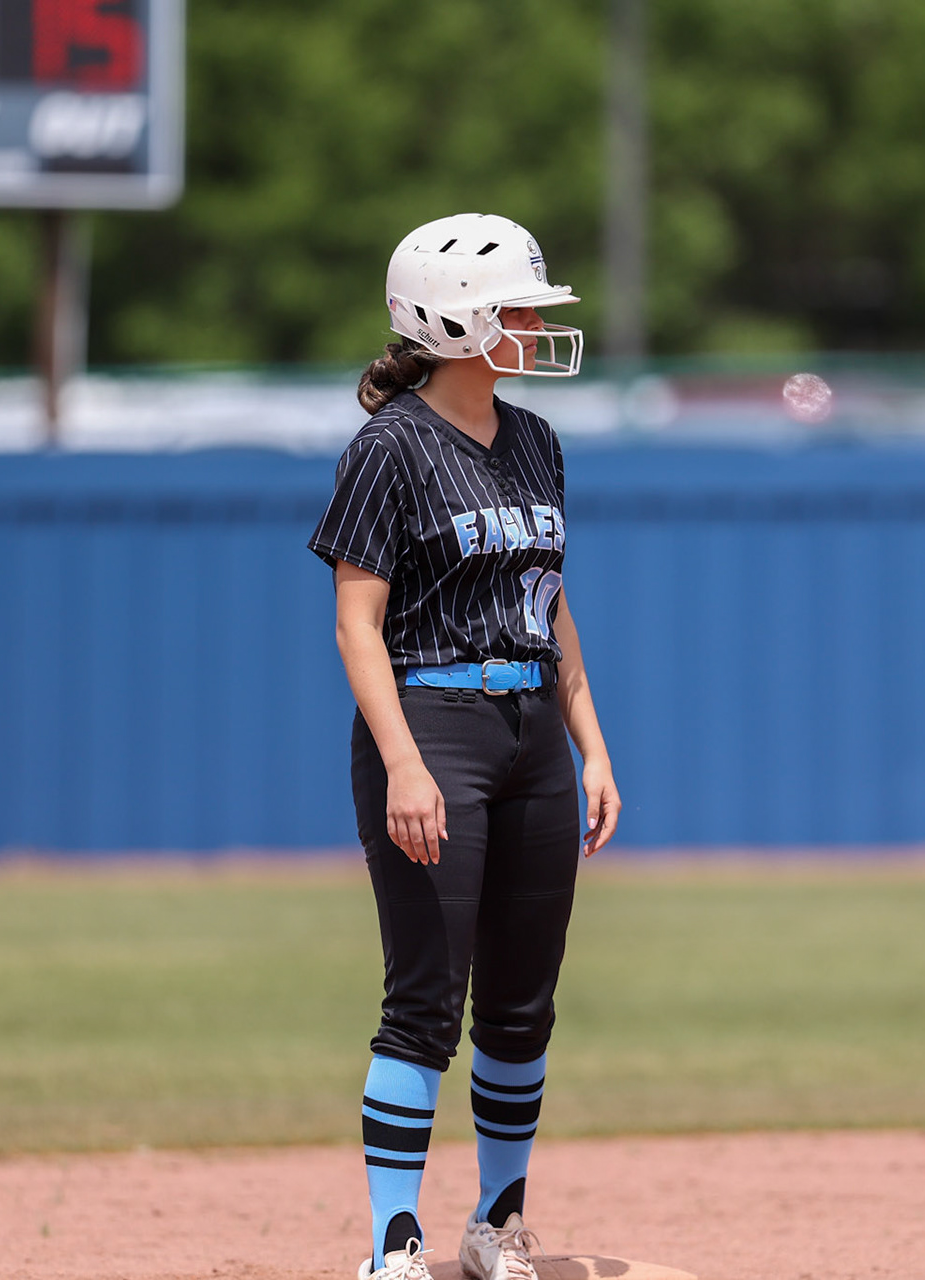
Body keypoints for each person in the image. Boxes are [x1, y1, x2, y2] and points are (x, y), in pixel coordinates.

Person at [308, 213, 622, 1280]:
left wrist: (591, 741)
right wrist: (402, 759)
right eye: (515, 308)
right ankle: (396, 1237)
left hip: (533, 728)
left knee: (523, 996)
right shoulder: (389, 445)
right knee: (426, 994)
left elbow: (551, 600)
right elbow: (357, 622)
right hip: (433, 721)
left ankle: (496, 1222)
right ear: (451, 317)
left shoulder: (536, 439)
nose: (533, 326)